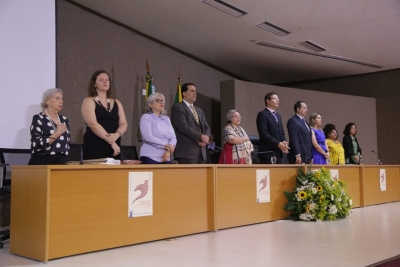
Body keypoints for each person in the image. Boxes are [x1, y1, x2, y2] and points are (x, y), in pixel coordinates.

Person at [81, 70, 128, 159]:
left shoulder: (117, 102)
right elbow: (92, 124)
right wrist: (112, 142)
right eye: (101, 80)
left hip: (115, 143)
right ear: (94, 84)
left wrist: (116, 135)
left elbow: (124, 123)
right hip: (96, 143)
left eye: (107, 79)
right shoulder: (89, 100)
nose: (105, 81)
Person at [171, 83, 210, 164]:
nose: (195, 93)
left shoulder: (199, 110)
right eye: (192, 91)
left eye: (195, 91)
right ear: (184, 93)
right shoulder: (178, 107)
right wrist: (200, 136)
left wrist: (206, 138)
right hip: (187, 152)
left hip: (202, 152)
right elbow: (183, 126)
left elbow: (206, 127)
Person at [28, 88, 70, 165]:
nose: (61, 101)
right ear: (47, 101)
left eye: (62, 99)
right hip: (43, 161)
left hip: (61, 161)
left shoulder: (64, 120)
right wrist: (58, 133)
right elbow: (37, 144)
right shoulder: (38, 118)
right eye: (57, 98)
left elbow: (67, 144)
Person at [139, 93, 176, 164]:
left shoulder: (166, 119)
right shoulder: (146, 117)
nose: (161, 102)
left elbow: (173, 138)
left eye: (162, 101)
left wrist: (168, 151)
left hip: (166, 156)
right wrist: (166, 145)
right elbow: (148, 137)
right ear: (150, 104)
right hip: (150, 156)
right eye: (158, 100)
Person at [256, 92, 289, 164]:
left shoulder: (278, 116)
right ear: (267, 101)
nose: (278, 100)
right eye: (275, 99)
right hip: (268, 152)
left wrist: (284, 142)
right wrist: (277, 143)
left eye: (278, 99)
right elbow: (263, 133)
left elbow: (282, 132)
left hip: (279, 151)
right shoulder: (262, 114)